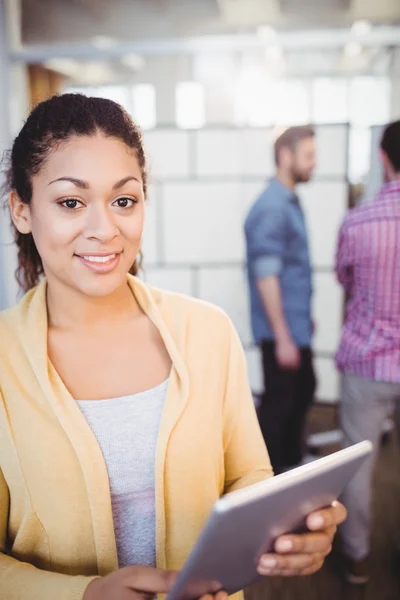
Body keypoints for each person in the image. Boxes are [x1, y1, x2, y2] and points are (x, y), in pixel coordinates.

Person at [0, 95, 346, 600]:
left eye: (124, 200)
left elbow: (247, 472)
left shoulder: (207, 331)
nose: (105, 229)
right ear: (22, 210)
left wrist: (287, 528)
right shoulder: (5, 359)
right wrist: (87, 594)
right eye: (71, 202)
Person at [335, 120, 400, 585]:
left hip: (368, 361)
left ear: (383, 157)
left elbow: (346, 281)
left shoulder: (358, 221)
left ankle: (355, 557)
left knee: (359, 462)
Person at [244, 126, 317, 475]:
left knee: (302, 392)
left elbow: (290, 270)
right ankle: (267, 476)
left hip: (294, 325)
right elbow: (266, 276)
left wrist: (304, 318)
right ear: (286, 156)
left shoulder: (287, 200)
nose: (313, 164)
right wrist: (284, 335)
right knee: (280, 404)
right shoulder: (272, 206)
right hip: (281, 332)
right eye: (309, 156)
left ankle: (290, 463)